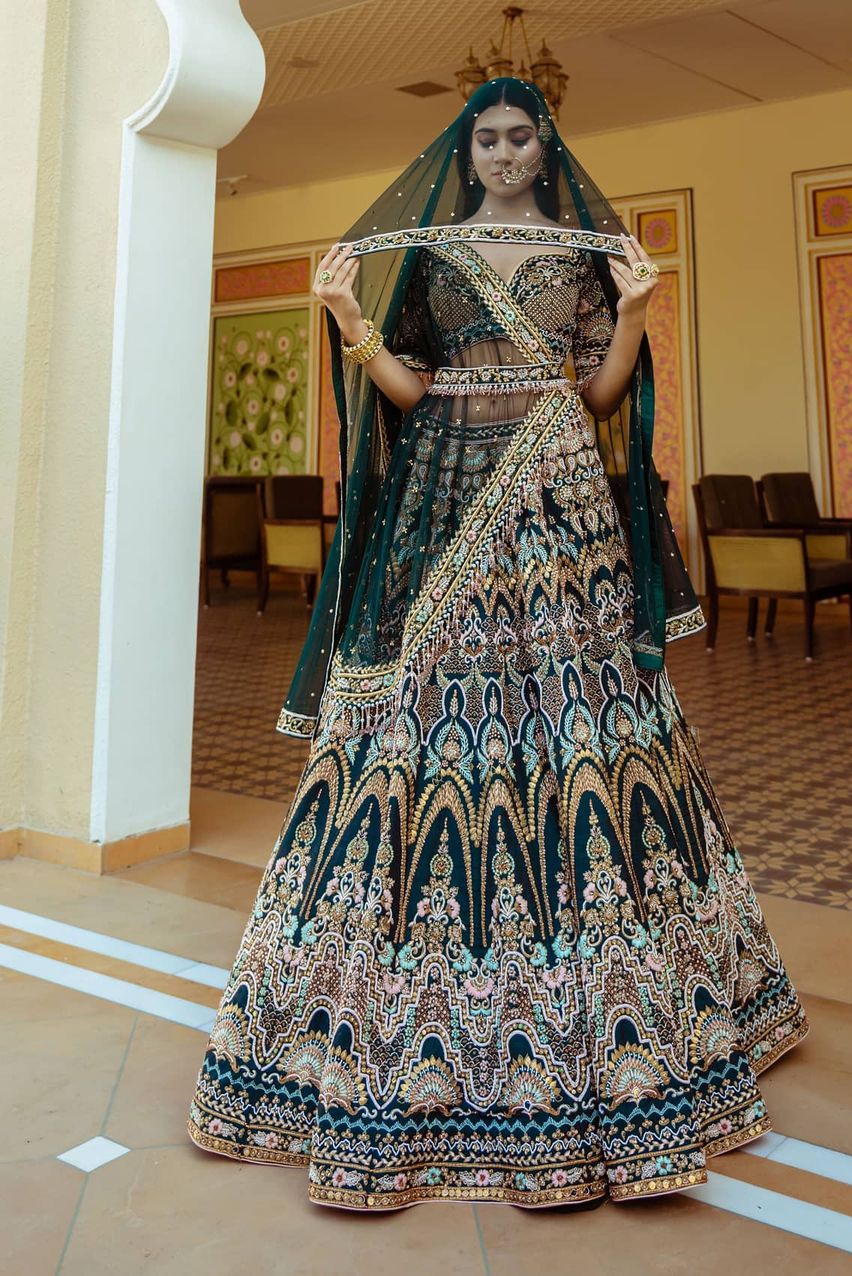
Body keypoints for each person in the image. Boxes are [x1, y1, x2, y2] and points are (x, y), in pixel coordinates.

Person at [188, 76, 807, 1213]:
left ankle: (630, 1017)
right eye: (489, 138)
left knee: (588, 728)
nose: (508, 153)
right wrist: (350, 319)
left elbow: (602, 397)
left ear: (546, 146)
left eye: (524, 136)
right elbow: (409, 393)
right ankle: (397, 1013)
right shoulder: (431, 256)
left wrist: (634, 313)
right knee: (421, 726)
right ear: (465, 151)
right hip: (447, 506)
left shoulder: (585, 253)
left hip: (563, 507)